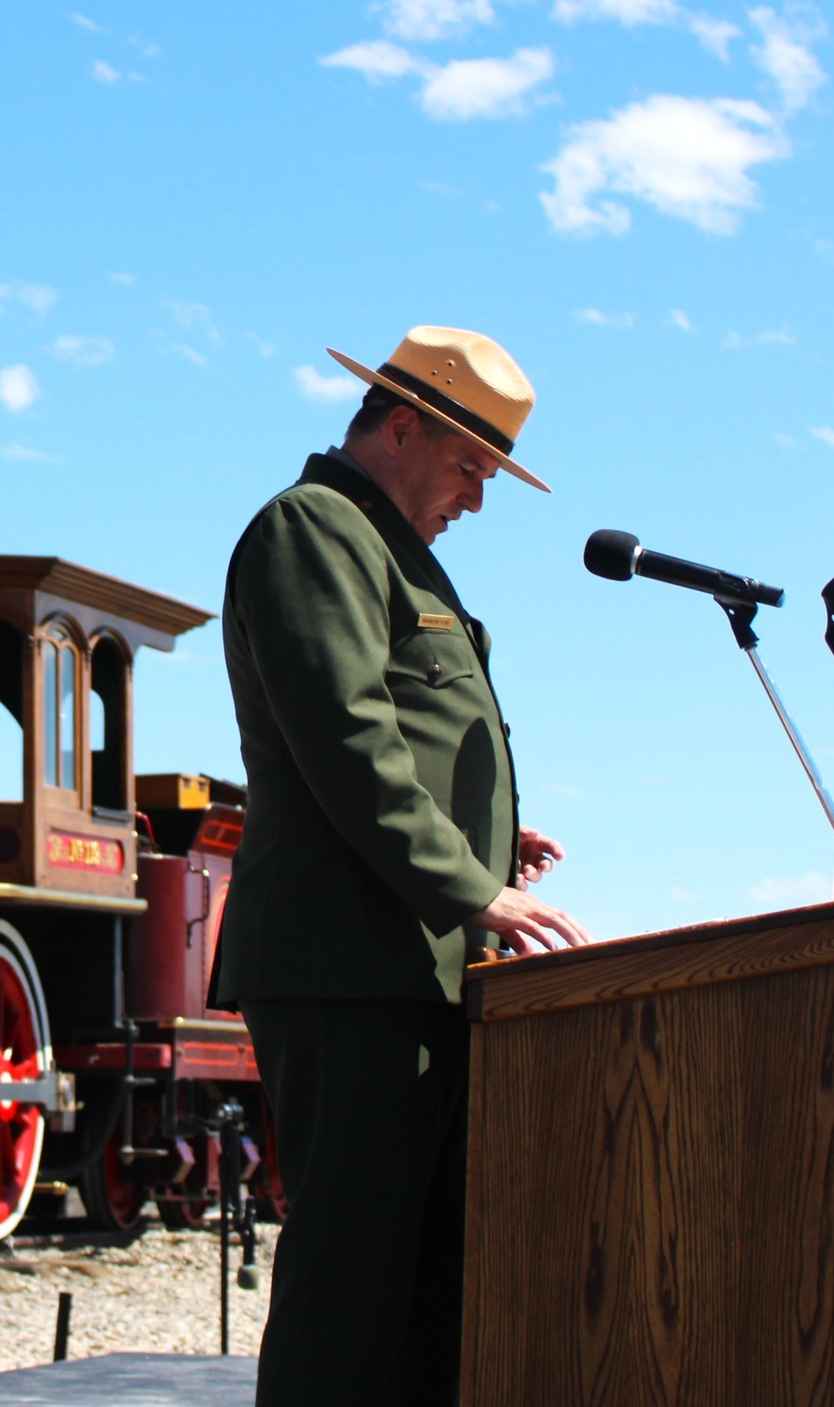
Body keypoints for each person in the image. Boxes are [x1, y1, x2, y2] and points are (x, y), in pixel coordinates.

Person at [213, 325, 593, 1406]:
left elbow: (395, 740)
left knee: (423, 1279)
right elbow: (342, 737)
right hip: (348, 968)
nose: (475, 499)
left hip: (405, 966)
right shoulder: (313, 529)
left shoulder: (384, 547)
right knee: (352, 1280)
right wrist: (476, 889)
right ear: (401, 426)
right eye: (471, 466)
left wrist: (489, 841)